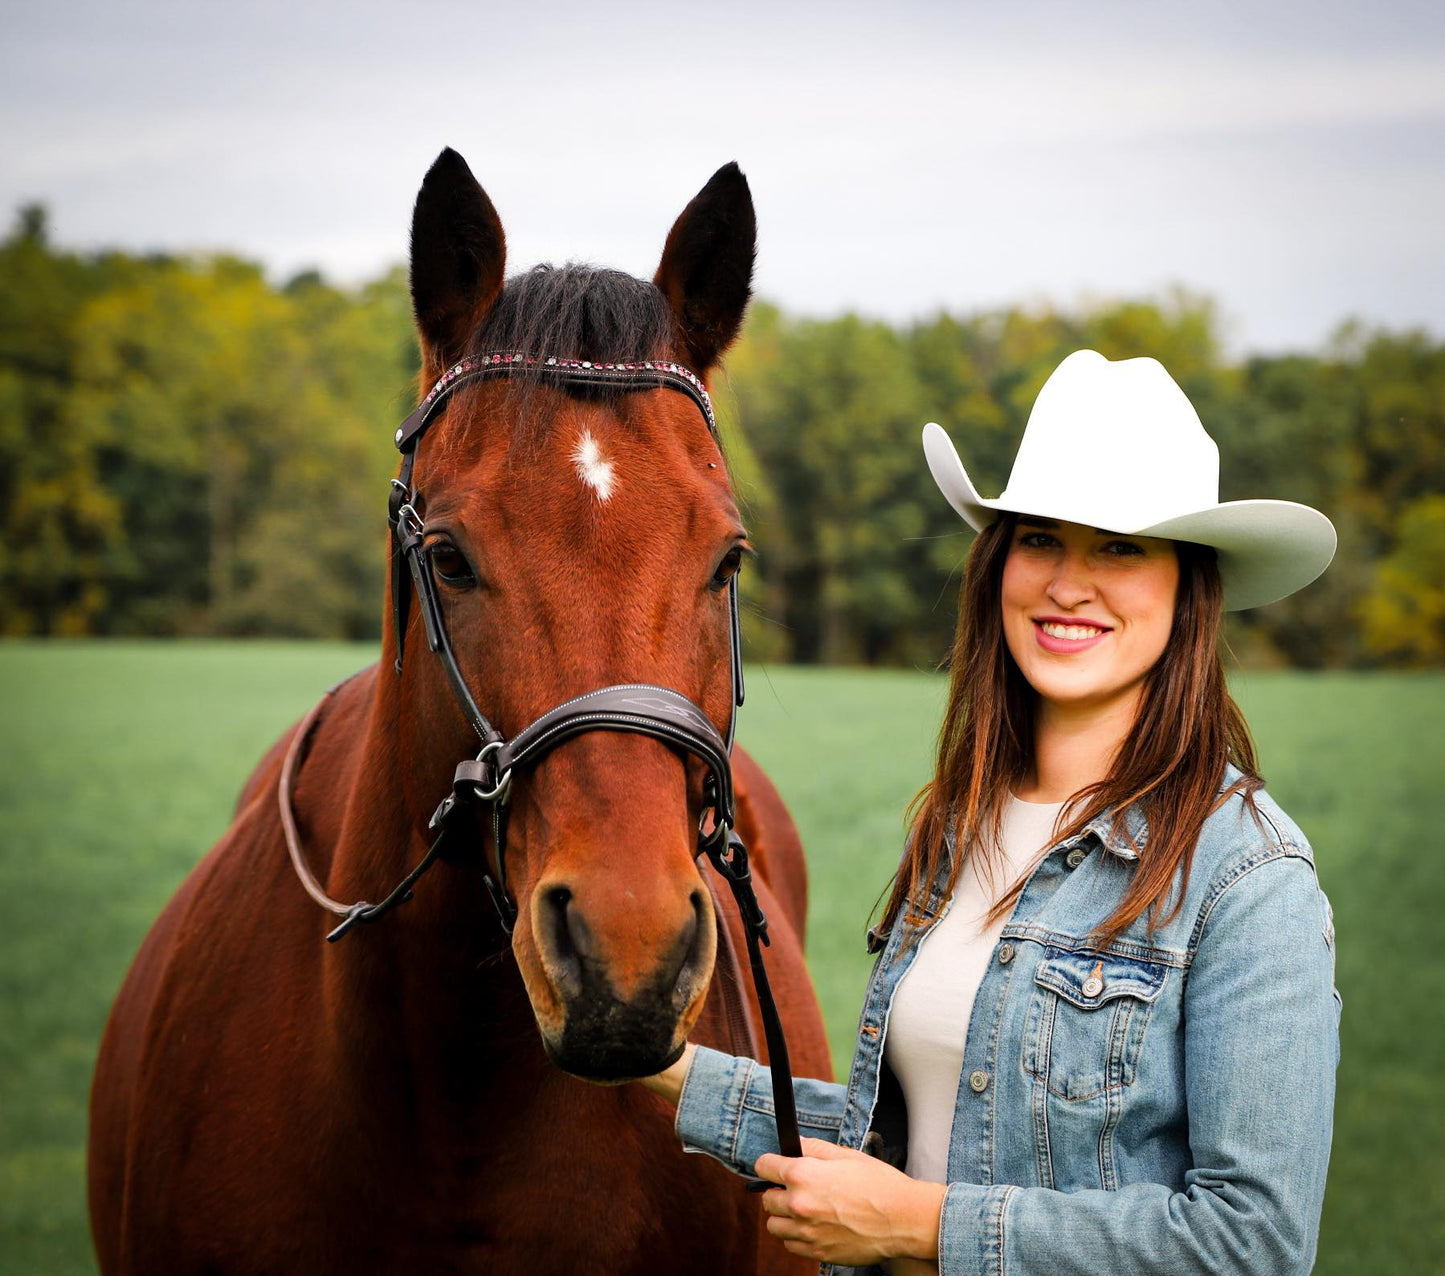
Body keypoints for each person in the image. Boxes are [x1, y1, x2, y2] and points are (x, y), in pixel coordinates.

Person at [640, 349, 1342, 1275]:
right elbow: (907, 1142)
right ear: (998, 562)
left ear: (1188, 589)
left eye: (1120, 547)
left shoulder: (1245, 878)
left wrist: (921, 1229)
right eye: (1040, 538)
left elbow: (1252, 1243)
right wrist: (666, 1069)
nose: (1066, 582)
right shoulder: (959, 832)